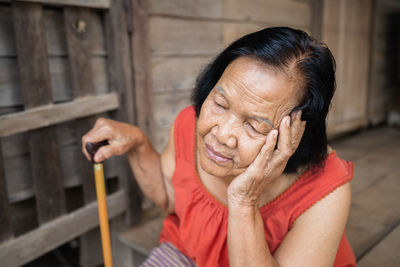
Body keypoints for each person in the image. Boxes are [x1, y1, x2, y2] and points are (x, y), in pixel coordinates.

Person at [82, 27, 356, 267]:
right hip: (189, 255)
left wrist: (244, 200)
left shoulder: (325, 191)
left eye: (254, 126)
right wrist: (138, 145)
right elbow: (169, 198)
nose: (222, 135)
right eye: (221, 104)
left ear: (296, 134)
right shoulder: (190, 125)